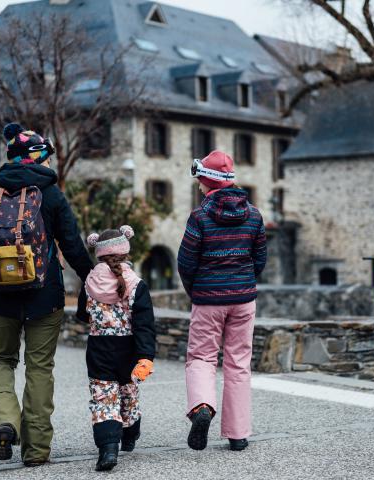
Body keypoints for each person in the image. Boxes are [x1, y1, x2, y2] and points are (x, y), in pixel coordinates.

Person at [0, 123, 93, 466]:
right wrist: (90, 278)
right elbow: (73, 245)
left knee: (1, 360)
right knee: (39, 368)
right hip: (44, 296)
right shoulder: (50, 194)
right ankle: (36, 451)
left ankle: (4, 422)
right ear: (38, 159)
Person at [177, 150, 267, 452]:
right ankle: (238, 434)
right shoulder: (254, 215)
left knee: (202, 357)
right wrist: (244, 282)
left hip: (208, 299)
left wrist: (196, 290)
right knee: (239, 363)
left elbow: (185, 262)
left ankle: (202, 407)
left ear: (206, 182)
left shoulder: (200, 216)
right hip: (243, 299)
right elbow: (260, 259)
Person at [83, 226, 156, 471]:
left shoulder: (89, 281)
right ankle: (130, 434)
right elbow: (145, 324)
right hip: (129, 349)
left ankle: (108, 449)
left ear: (99, 253)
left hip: (98, 348)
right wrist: (146, 356)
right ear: (125, 251)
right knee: (129, 396)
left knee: (104, 400)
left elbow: (83, 315)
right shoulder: (136, 283)